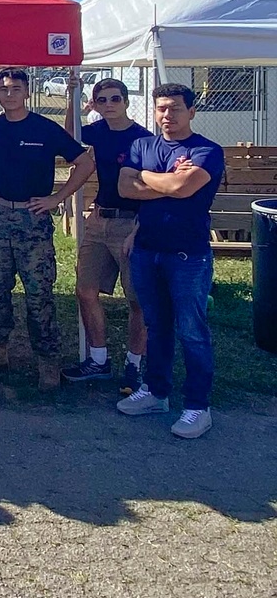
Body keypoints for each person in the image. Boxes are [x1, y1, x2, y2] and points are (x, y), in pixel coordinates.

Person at [0, 68, 94, 389]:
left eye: (15, 89)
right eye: (4, 89)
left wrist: (58, 198)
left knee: (38, 294)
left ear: (26, 92)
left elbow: (85, 162)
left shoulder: (44, 128)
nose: (9, 94)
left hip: (32, 221)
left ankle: (48, 362)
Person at [116, 83, 224, 439]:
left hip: (187, 256)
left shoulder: (208, 149)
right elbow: (124, 188)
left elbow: (184, 189)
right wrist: (168, 179)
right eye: (161, 108)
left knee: (192, 332)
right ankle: (156, 393)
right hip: (146, 251)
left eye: (175, 108)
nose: (167, 115)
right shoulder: (141, 145)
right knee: (156, 325)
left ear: (191, 111)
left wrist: (146, 178)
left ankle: (197, 407)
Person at [61, 76, 152, 392]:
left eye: (115, 99)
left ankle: (135, 366)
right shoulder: (97, 132)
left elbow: (153, 188)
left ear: (126, 101)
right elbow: (69, 137)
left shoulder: (144, 139)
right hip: (100, 222)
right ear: (96, 105)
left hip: (133, 224)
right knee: (86, 291)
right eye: (103, 100)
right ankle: (98, 360)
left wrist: (140, 230)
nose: (110, 105)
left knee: (138, 300)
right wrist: (74, 96)